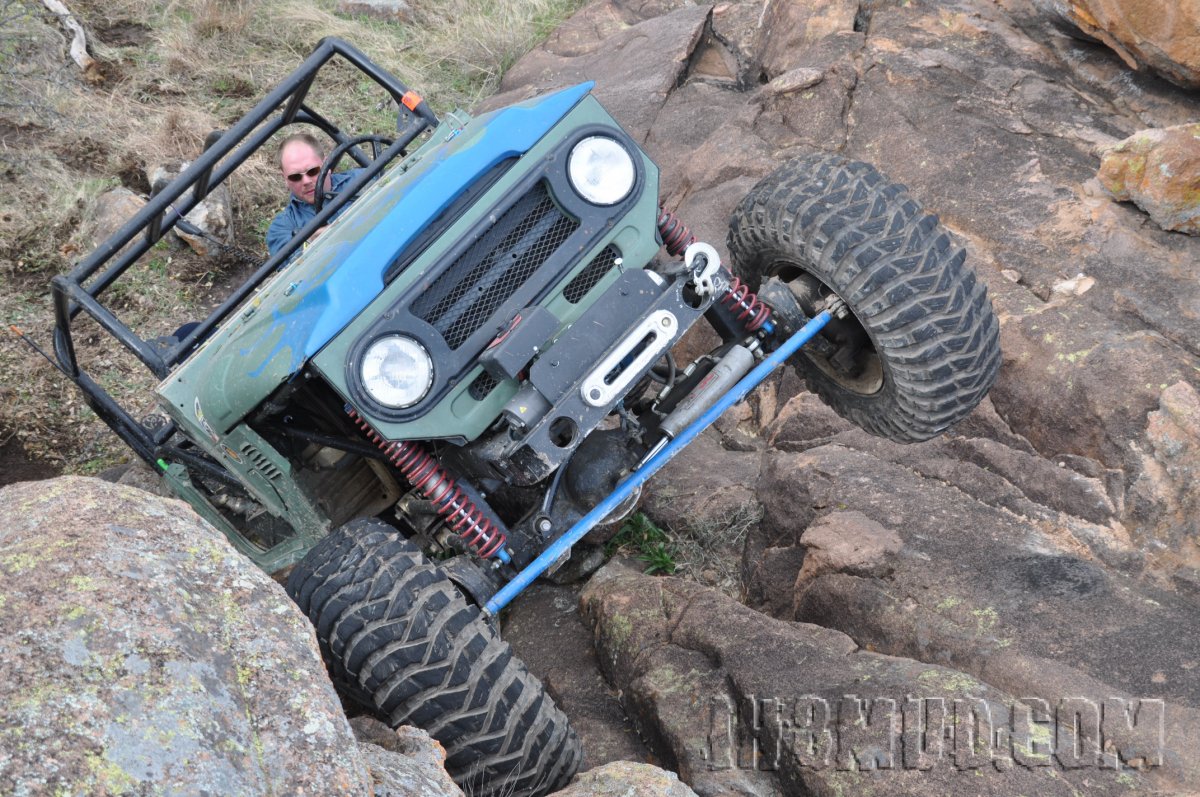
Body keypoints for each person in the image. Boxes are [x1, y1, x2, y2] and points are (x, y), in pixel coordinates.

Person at [265, 131, 363, 258]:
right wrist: (309, 243)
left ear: (327, 164)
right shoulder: (282, 227)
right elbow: (287, 267)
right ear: (285, 179)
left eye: (313, 171)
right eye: (295, 177)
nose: (306, 181)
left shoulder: (363, 179)